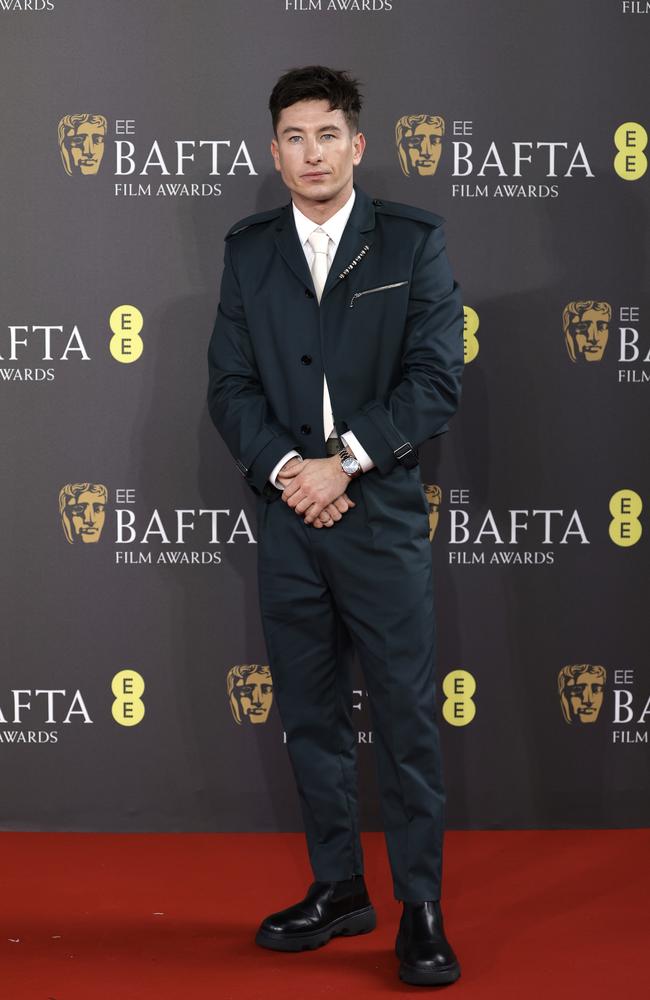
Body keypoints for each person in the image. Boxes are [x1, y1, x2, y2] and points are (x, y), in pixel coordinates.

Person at [207, 65, 465, 987]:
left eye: (327, 135)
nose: (311, 152)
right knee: (311, 718)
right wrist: (288, 472)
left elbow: (436, 382)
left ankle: (421, 906)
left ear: (357, 145)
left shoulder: (413, 243)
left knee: (405, 720)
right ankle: (338, 888)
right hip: (289, 521)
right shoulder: (248, 251)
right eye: (293, 137)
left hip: (381, 515)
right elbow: (230, 387)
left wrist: (343, 461)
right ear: (273, 153)